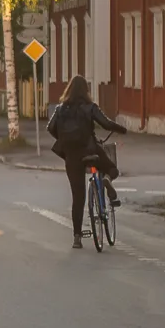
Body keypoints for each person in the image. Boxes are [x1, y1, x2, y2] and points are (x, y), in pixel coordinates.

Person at [47, 74, 128, 249]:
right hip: (90, 150)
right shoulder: (90, 107)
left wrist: (63, 140)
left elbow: (50, 128)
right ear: (86, 91)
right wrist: (121, 129)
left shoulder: (60, 109)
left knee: (78, 197)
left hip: (71, 155)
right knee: (112, 168)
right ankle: (106, 180)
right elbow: (105, 123)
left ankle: (77, 238)